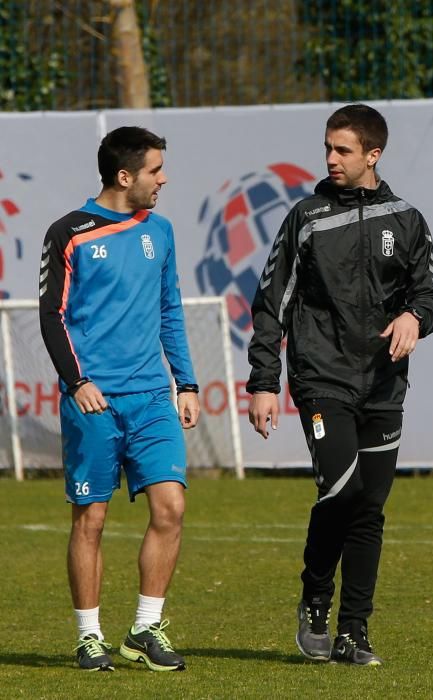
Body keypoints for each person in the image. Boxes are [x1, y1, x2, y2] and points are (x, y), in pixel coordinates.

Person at [247, 104, 433, 666]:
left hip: (383, 385)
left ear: (372, 155)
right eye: (327, 148)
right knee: (343, 489)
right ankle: (315, 595)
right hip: (322, 377)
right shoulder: (305, 216)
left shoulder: (406, 219)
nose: (331, 159)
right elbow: (272, 302)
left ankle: (354, 631)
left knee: (371, 508)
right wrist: (264, 382)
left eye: (343, 150)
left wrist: (415, 317)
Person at [39, 126, 200, 672]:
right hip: (94, 401)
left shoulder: (162, 231)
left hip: (153, 397)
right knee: (92, 518)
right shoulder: (69, 233)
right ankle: (89, 636)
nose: (164, 178)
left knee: (171, 507)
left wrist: (188, 383)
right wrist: (77, 382)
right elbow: (51, 316)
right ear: (124, 176)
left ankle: (145, 628)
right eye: (155, 169)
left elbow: (169, 311)